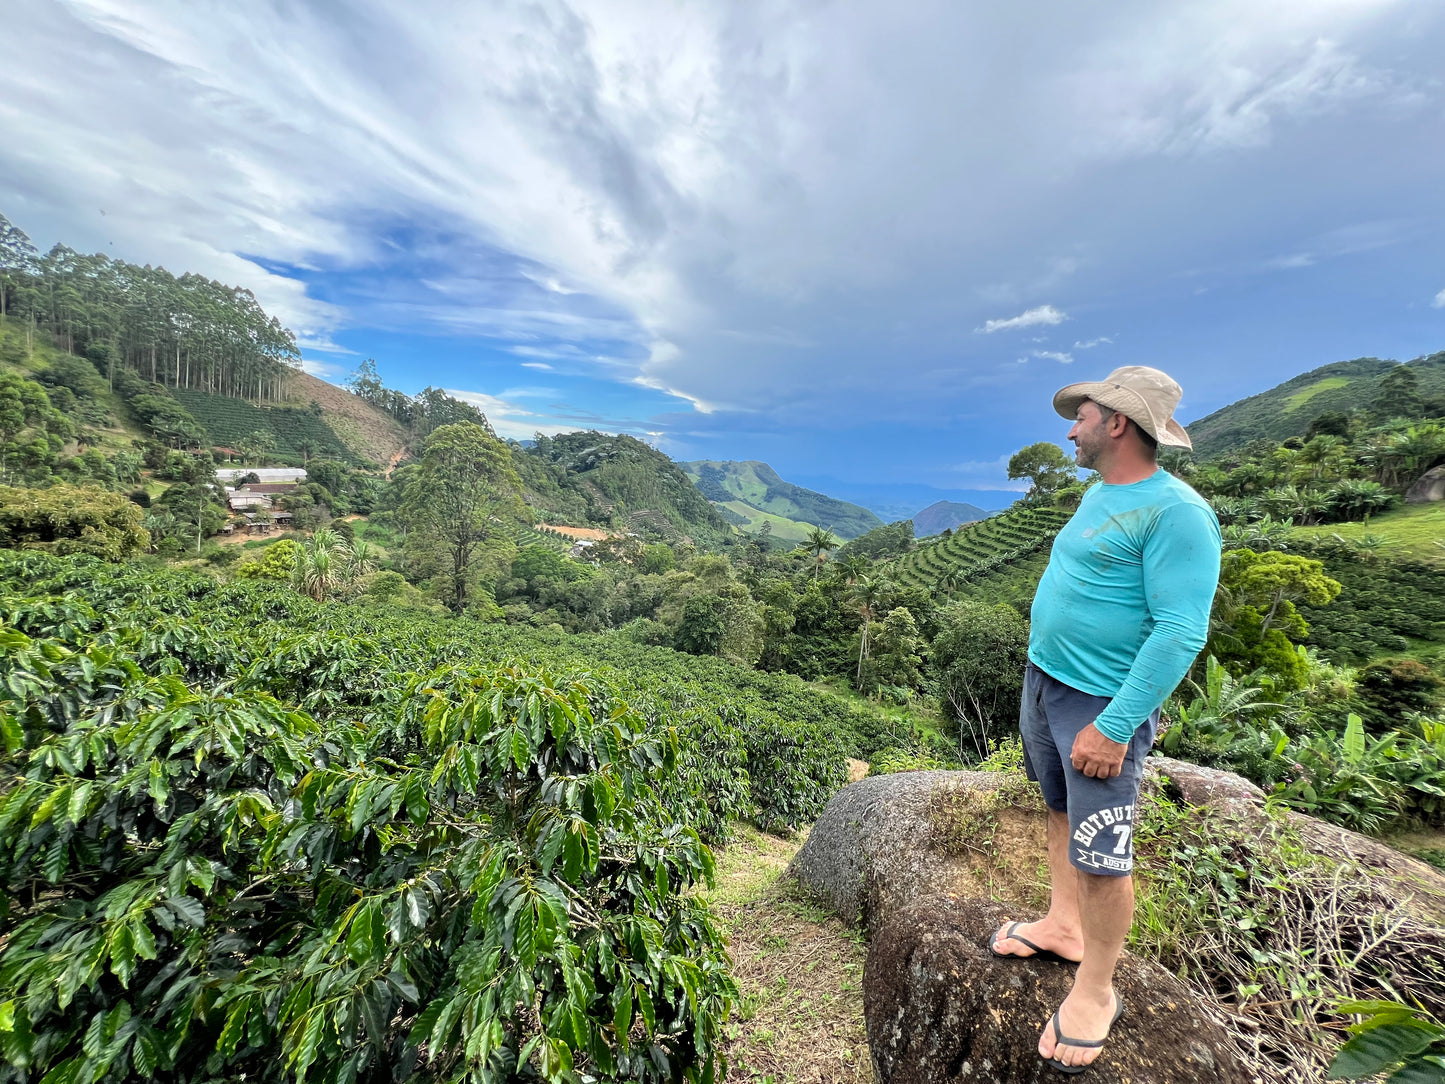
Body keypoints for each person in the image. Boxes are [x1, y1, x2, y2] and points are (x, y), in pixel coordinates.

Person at [989, 365, 1221, 1075]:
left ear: (1115, 423)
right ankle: (1062, 925)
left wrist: (1116, 725)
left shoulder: (1176, 512)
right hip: (1046, 684)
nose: (1070, 428)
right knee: (1059, 809)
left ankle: (1095, 990)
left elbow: (1180, 630)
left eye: (1081, 416)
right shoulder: (1102, 492)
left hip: (1099, 704)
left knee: (1101, 846)